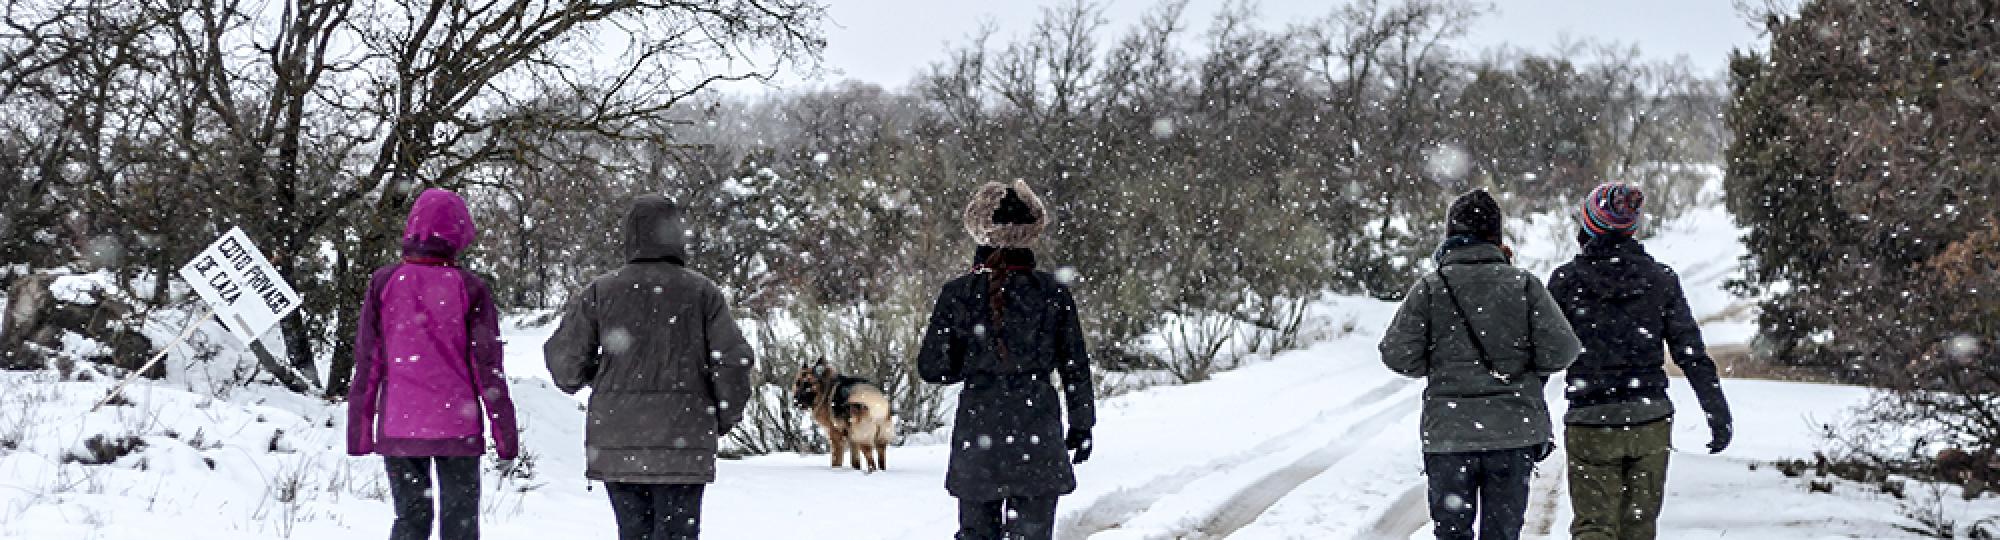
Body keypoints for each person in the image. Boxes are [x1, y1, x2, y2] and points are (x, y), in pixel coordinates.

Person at [543, 195, 754, 540]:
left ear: (630, 236)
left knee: (632, 531)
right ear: (677, 235)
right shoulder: (702, 293)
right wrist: (724, 415)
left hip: (618, 440)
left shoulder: (602, 291)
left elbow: (565, 365)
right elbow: (732, 362)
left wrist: (600, 373)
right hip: (683, 440)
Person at [1380, 189, 1581, 540]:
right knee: (1502, 534)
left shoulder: (1431, 288)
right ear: (1496, 236)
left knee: (1452, 532)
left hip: (1449, 436)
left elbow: (1397, 354)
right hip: (1512, 434)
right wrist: (1527, 369)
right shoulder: (1523, 286)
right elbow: (1563, 350)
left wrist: (1439, 365)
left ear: (1449, 235)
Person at [1547, 183, 1733, 540]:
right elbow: (1690, 353)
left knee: (1594, 527)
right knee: (1639, 528)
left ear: (1588, 225)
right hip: (1649, 420)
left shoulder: (1566, 282)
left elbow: (1541, 357)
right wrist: (1716, 411)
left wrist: (1533, 419)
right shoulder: (1659, 280)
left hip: (1591, 419)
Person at [918, 180, 1096, 540]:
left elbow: (933, 368)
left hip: (978, 429)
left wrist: (972, 361)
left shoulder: (958, 293)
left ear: (979, 230)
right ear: (1032, 232)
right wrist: (1081, 423)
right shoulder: (1053, 292)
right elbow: (1074, 365)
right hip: (1038, 429)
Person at [347, 188, 520, 540]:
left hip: (400, 425)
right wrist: (506, 437)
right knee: (460, 526)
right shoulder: (470, 288)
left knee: (410, 520)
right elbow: (488, 367)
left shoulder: (384, 282)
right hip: (457, 423)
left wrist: (360, 432)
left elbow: (368, 361)